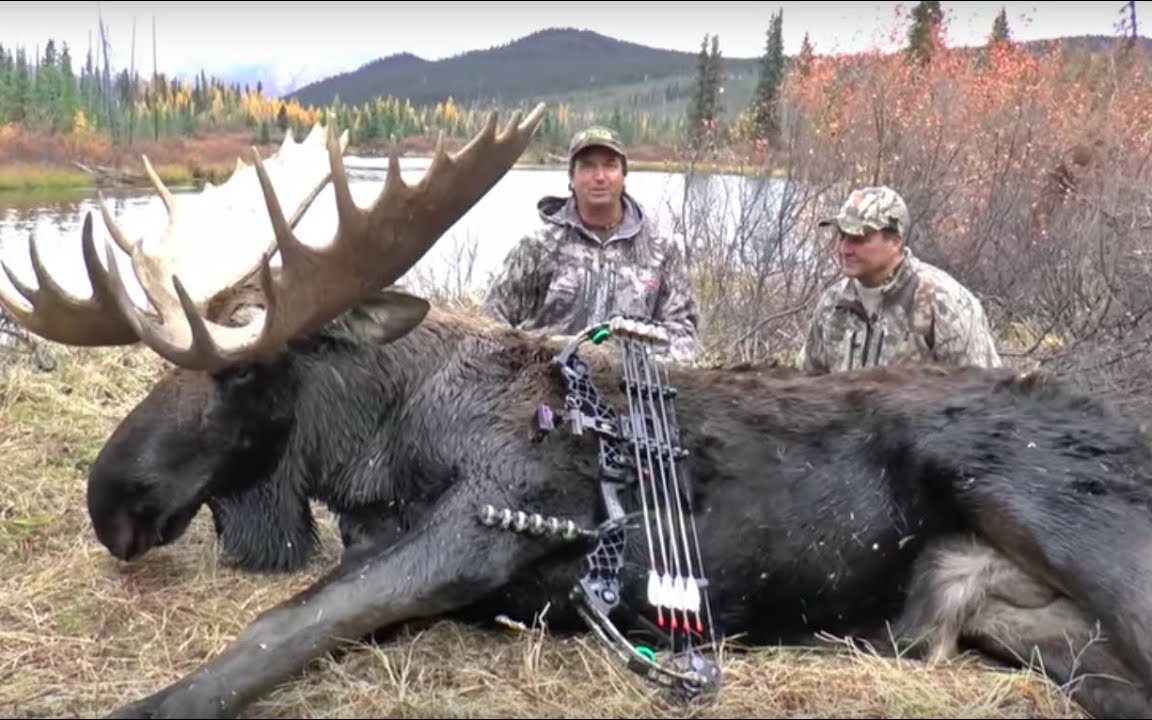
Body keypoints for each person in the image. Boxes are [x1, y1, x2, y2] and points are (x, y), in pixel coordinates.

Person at [482, 125, 701, 364]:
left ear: (623, 176)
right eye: (587, 166)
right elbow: (490, 326)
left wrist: (644, 363)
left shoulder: (660, 249)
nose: (600, 176)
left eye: (610, 165)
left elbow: (683, 333)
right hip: (548, 389)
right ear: (571, 178)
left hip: (631, 391)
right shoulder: (538, 248)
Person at [798, 185, 1001, 374]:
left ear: (895, 242)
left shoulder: (944, 302)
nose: (844, 249)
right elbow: (810, 384)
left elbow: (986, 395)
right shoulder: (832, 304)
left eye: (858, 238)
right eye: (842, 236)